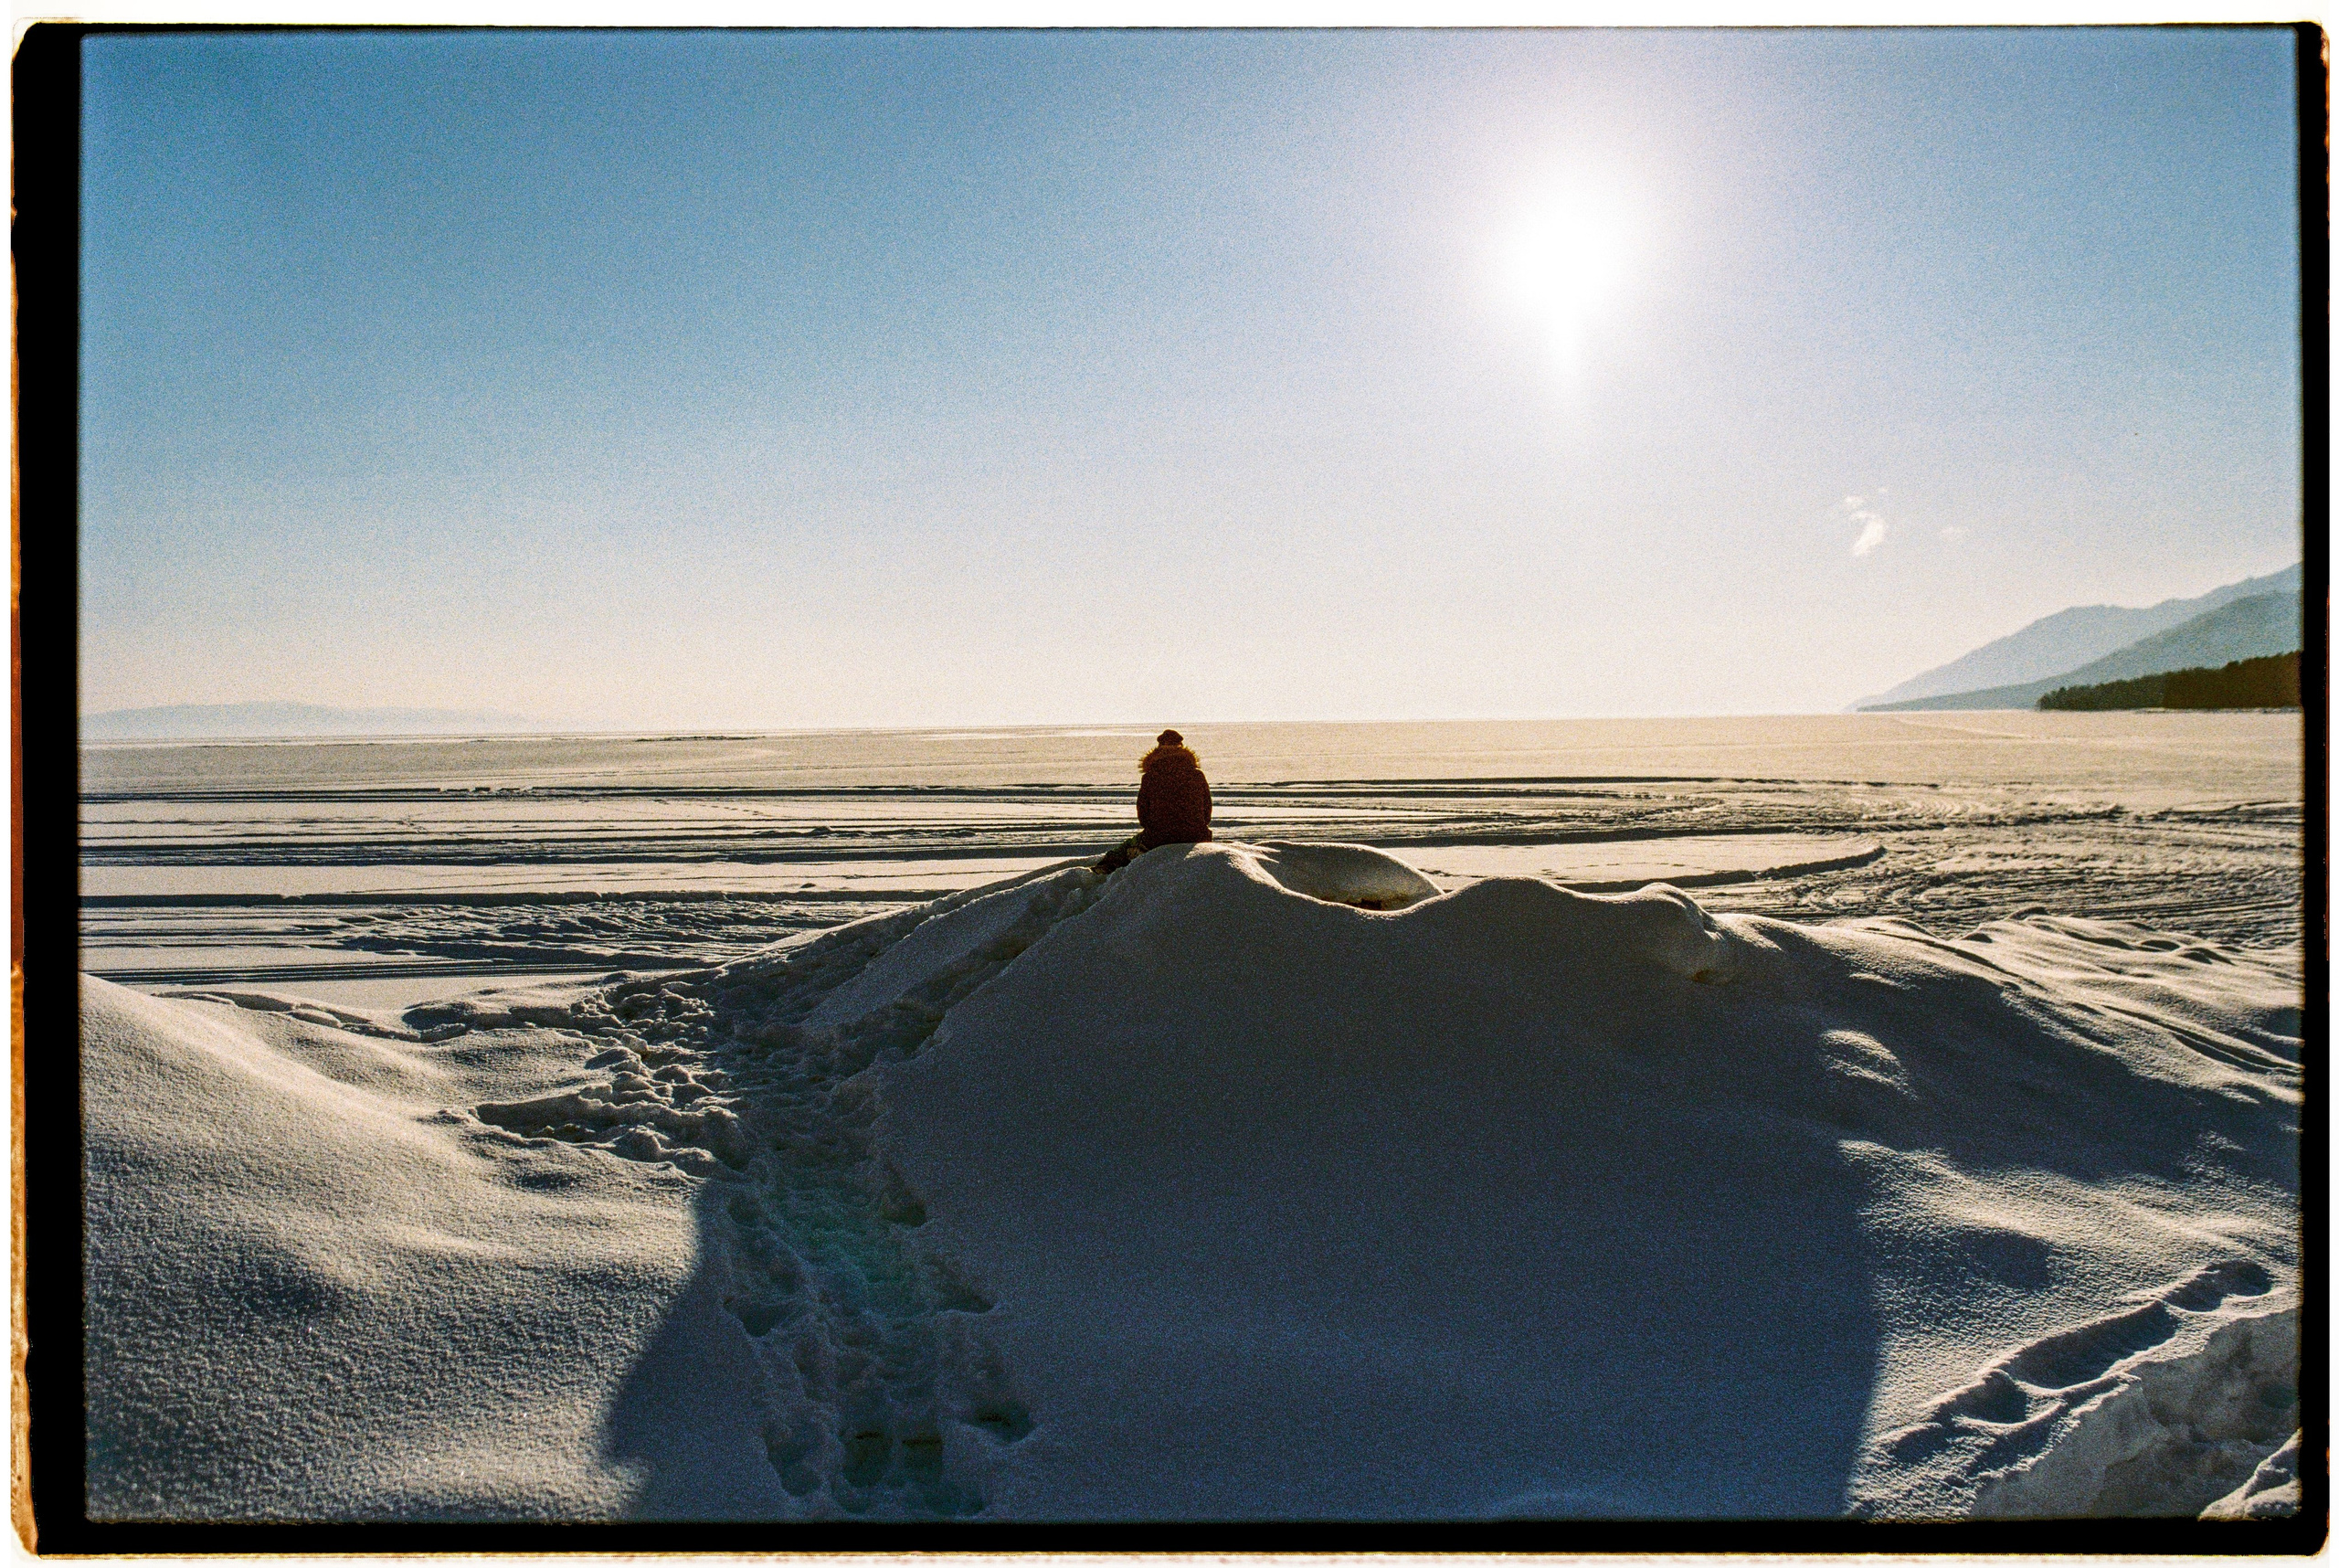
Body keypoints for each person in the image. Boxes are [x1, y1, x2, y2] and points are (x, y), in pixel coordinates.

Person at [1093, 729, 1212, 874]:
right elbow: (1207, 811)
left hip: (1158, 837)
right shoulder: (1197, 775)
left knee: (1125, 849)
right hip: (1196, 835)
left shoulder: (1151, 776)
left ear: (1159, 747)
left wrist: (1156, 827)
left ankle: (1105, 869)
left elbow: (1143, 813)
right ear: (1182, 746)